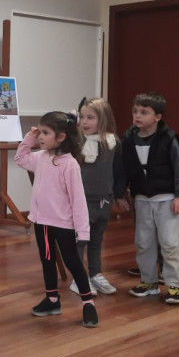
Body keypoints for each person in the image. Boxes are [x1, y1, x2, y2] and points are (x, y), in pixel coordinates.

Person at [15, 112, 98, 327]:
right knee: (47, 260)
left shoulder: (70, 165)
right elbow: (20, 158)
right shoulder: (40, 157)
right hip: (41, 222)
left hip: (63, 224)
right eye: (39, 132)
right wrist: (29, 138)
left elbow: (78, 201)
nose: (40, 137)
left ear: (61, 137)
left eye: (45, 133)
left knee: (73, 262)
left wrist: (83, 230)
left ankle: (88, 303)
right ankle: (52, 300)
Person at [122, 92, 179, 305]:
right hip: (141, 199)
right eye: (135, 111)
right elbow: (123, 169)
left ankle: (174, 285)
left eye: (143, 112)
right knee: (143, 242)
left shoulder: (168, 138)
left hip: (166, 199)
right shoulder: (129, 138)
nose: (137, 116)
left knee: (169, 243)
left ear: (157, 117)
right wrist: (120, 193)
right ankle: (148, 282)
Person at [69, 97, 128, 297]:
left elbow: (119, 171)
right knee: (79, 240)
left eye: (90, 118)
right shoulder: (76, 142)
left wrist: (119, 196)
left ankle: (95, 273)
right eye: (82, 117)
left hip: (104, 199)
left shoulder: (113, 143)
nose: (85, 122)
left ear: (103, 119)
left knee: (96, 239)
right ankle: (78, 278)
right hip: (81, 200)